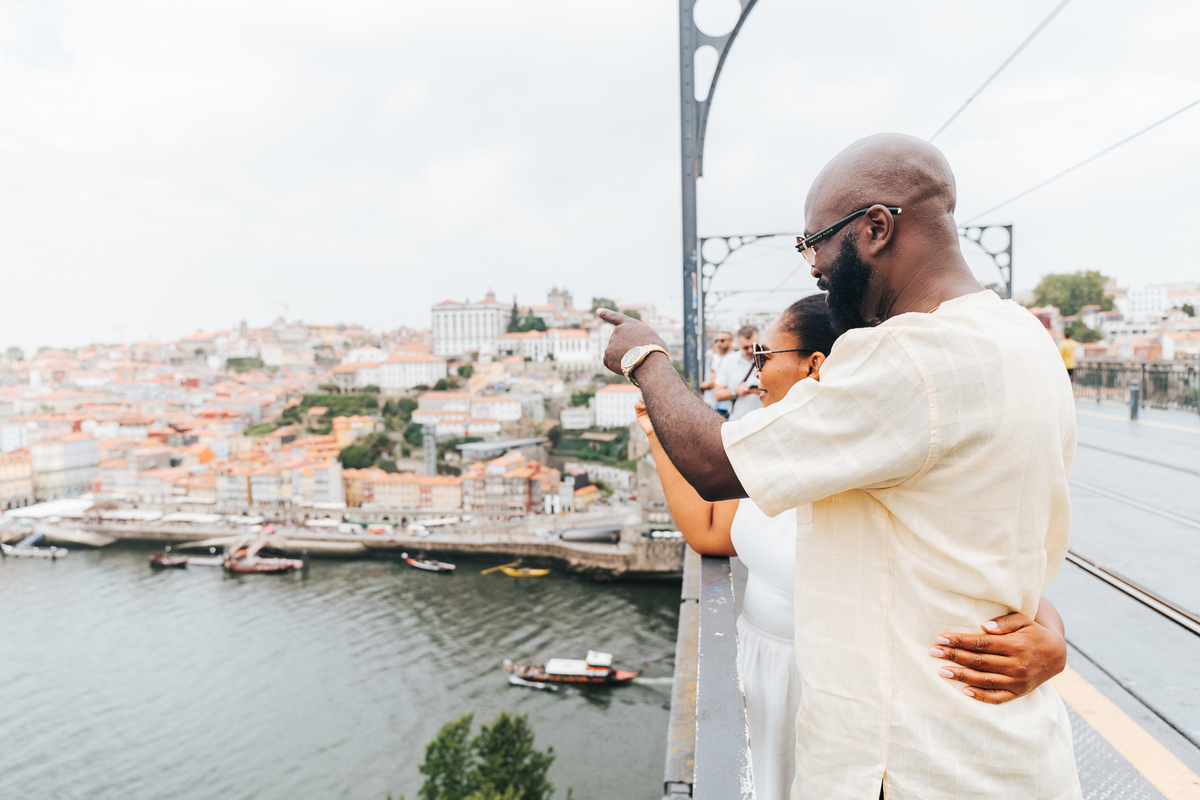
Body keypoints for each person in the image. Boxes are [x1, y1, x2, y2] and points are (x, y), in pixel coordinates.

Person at [600, 133, 1080, 799]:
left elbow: (715, 464)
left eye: (815, 241)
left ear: (876, 228)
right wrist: (1053, 633)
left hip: (912, 764)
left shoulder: (909, 358)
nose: (813, 265)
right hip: (1008, 754)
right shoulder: (1023, 337)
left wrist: (643, 357)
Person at [639, 294, 1069, 800]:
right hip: (764, 680)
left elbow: (983, 573)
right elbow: (711, 531)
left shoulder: (880, 452)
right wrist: (656, 431)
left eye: (763, 357)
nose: (753, 375)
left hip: (844, 698)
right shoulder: (768, 446)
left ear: (815, 364)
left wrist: (1054, 643)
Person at [714, 325, 763, 422]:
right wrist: (736, 391)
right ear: (738, 343)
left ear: (759, 340)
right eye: (746, 347)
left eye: (753, 346)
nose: (750, 350)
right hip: (737, 420)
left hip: (762, 421)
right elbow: (718, 395)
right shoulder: (728, 361)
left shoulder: (768, 360)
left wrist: (764, 390)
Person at [701, 331, 734, 414]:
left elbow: (717, 382)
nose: (719, 343)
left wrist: (705, 385)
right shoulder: (717, 359)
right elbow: (714, 378)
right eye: (717, 341)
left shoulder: (734, 358)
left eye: (722, 340)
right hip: (716, 404)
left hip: (729, 405)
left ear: (730, 341)